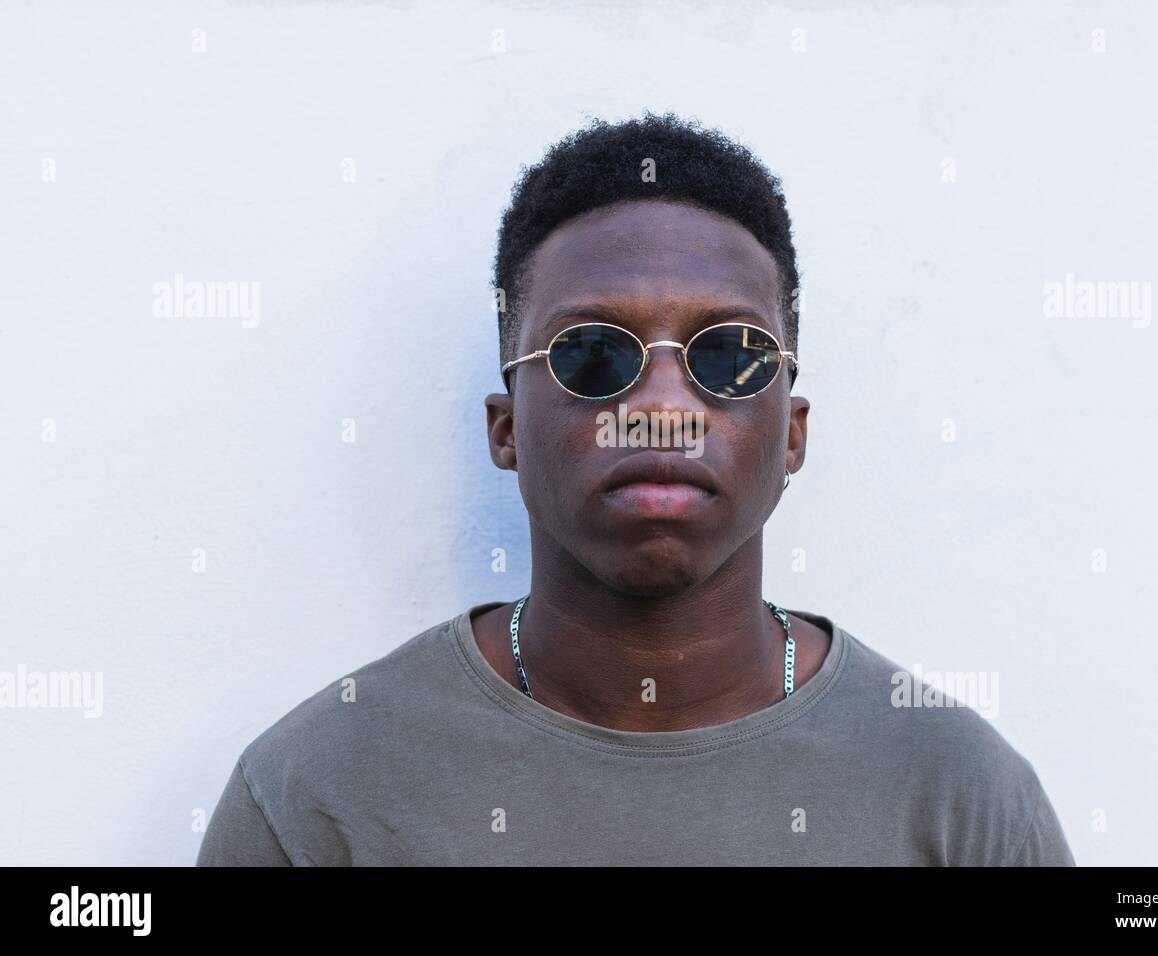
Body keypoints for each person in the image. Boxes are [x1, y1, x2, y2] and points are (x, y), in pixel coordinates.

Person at [197, 111, 1075, 866]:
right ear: (506, 428)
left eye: (730, 356)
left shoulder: (956, 796)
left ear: (792, 433)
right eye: (593, 354)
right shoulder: (319, 794)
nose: (660, 406)